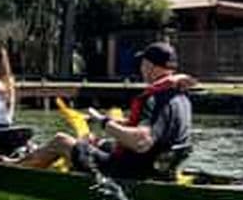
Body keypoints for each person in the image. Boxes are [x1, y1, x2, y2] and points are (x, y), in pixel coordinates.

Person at [16, 41, 193, 179]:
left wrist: (104, 122)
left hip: (129, 171)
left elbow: (142, 141)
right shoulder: (181, 98)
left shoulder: (153, 99)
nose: (141, 69)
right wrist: (103, 122)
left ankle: (12, 170)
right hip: (158, 167)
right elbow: (157, 131)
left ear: (149, 66)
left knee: (60, 141)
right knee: (99, 143)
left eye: (143, 64)